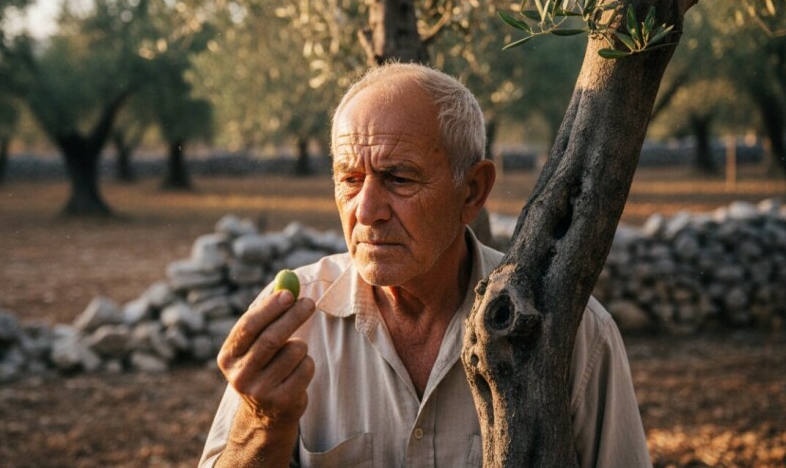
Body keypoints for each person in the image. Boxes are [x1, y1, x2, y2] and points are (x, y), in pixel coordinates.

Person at [199, 63, 651, 467]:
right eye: (350, 180)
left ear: (472, 191)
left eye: (399, 178)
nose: (367, 209)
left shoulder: (575, 332)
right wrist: (262, 425)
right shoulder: (294, 321)